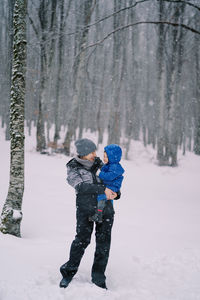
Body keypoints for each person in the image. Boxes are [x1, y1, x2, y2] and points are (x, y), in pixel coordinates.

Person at [59, 138, 119, 290]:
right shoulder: (73, 167)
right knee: (81, 241)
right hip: (85, 210)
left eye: (94, 151)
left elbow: (113, 181)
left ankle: (99, 278)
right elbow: (80, 187)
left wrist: (116, 193)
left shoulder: (102, 164)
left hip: (105, 210)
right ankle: (68, 272)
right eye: (91, 152)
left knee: (103, 244)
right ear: (83, 153)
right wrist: (102, 190)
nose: (94, 154)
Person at [89, 144, 124, 223]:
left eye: (106, 157)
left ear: (112, 157)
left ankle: (99, 214)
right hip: (109, 185)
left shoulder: (115, 167)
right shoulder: (110, 165)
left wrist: (99, 173)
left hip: (112, 186)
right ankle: (109, 211)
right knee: (107, 199)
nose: (104, 159)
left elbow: (109, 177)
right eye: (104, 156)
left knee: (101, 197)